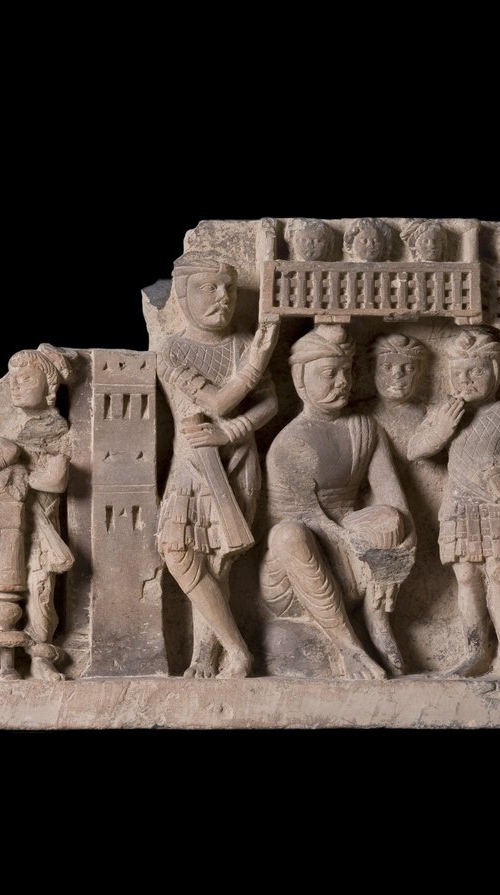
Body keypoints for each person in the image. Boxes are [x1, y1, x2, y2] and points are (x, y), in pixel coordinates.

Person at [260, 325, 415, 678]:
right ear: (300, 381)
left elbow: (395, 501)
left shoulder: (364, 428)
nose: (342, 382)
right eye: (329, 373)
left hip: (356, 559)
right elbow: (305, 520)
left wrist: (396, 559)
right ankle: (349, 648)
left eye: (346, 371)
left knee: (390, 518)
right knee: (288, 535)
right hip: (302, 570)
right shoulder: (291, 443)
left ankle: (377, 621)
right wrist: (362, 548)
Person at [157, 252, 279, 678]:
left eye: (228, 289)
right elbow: (217, 402)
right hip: (192, 465)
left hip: (238, 461)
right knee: (179, 551)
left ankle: (205, 657)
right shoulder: (172, 349)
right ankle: (237, 649)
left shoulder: (243, 344)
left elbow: (270, 403)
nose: (222, 297)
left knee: (218, 562)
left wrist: (231, 434)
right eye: (208, 288)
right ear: (182, 295)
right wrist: (256, 362)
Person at [408, 328, 500, 678]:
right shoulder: (447, 411)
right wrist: (441, 430)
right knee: (468, 577)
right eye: (458, 372)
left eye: (476, 370)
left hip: (497, 504)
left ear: (495, 371)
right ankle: (475, 651)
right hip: (459, 505)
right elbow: (415, 450)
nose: (466, 379)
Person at [0, 344, 77, 681]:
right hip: (4, 520)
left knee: (39, 588)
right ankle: (5, 661)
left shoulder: (53, 426)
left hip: (38, 523)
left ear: (49, 387)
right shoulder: (10, 424)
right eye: (12, 379)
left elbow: (57, 479)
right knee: (4, 587)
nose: (15, 385)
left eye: (26, 379)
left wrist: (20, 477)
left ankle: (41, 658)